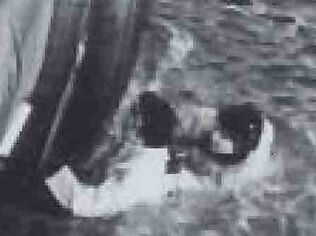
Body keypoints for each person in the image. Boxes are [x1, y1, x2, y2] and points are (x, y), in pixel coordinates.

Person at [45, 92, 274, 218]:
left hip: (169, 187)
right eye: (220, 128)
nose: (216, 136)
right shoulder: (205, 121)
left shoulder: (147, 174)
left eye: (226, 137)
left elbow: (87, 204)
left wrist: (49, 167)